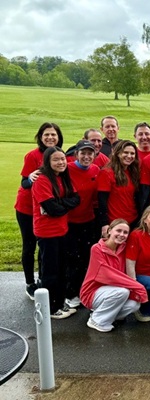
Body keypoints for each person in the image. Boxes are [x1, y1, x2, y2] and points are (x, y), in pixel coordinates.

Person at [15, 122, 63, 299]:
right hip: (27, 208)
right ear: (40, 137)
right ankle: (30, 283)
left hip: (46, 209)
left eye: (53, 135)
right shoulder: (32, 156)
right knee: (29, 245)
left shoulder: (58, 155)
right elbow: (24, 183)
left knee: (45, 247)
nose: (50, 138)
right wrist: (31, 178)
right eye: (46, 135)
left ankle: (44, 280)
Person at [32, 146, 80, 319]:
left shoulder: (63, 178)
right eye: (56, 160)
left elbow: (76, 199)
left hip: (62, 230)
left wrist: (60, 203)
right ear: (48, 161)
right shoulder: (42, 180)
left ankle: (58, 303)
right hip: (47, 232)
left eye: (62, 159)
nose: (61, 162)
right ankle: (50, 308)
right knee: (50, 272)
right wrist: (61, 205)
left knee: (61, 269)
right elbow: (52, 209)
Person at [80, 219, 148, 332]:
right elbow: (108, 275)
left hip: (114, 290)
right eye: (118, 231)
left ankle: (107, 316)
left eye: (125, 233)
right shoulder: (97, 249)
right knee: (122, 292)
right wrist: (137, 286)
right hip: (92, 293)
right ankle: (96, 320)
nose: (122, 235)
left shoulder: (124, 248)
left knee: (134, 304)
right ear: (109, 231)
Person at [64, 140, 101, 309]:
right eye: (83, 153)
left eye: (90, 153)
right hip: (69, 222)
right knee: (72, 258)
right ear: (76, 154)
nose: (87, 157)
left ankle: (84, 291)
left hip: (89, 220)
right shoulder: (67, 169)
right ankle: (71, 293)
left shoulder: (96, 170)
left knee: (87, 258)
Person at [97, 140, 140, 235]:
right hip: (115, 223)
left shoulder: (132, 172)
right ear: (118, 153)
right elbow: (102, 201)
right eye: (125, 152)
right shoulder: (107, 173)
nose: (129, 156)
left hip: (132, 220)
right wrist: (104, 224)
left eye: (132, 153)